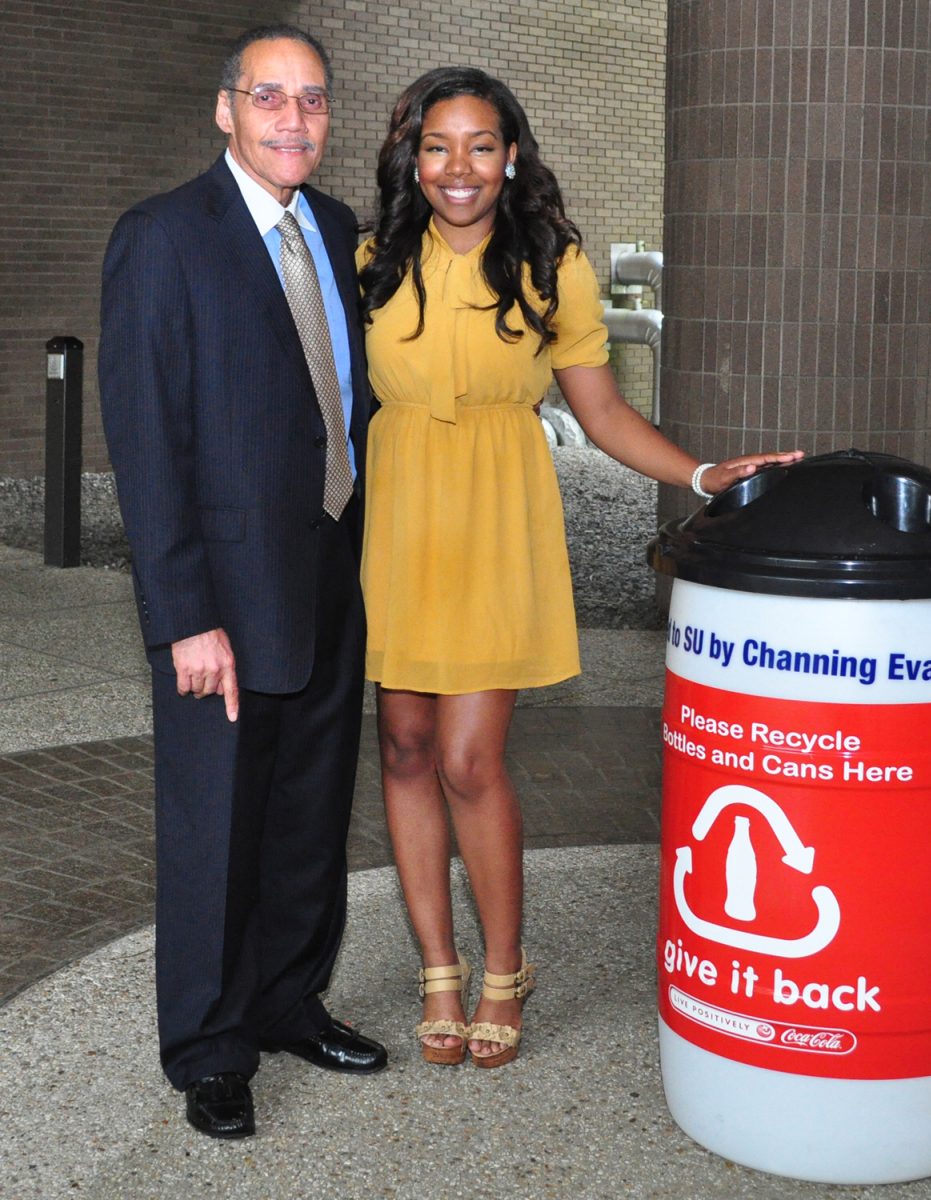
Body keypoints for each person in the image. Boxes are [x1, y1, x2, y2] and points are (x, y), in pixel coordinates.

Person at [357, 66, 803, 1069]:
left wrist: (700, 471)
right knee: (403, 746)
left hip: (494, 518)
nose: (458, 168)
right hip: (400, 518)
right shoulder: (373, 256)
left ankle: (505, 968)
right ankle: (438, 966)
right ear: (412, 157)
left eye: (480, 145)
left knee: (469, 758)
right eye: (438, 146)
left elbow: (600, 414)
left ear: (511, 155)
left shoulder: (553, 263)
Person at [98, 25, 387, 1140]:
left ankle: (287, 1000)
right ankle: (211, 1047)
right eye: (269, 97)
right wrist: (184, 619)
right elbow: (147, 443)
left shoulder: (336, 227)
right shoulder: (164, 237)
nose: (292, 119)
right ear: (227, 110)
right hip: (218, 596)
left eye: (312, 100)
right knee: (216, 821)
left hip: (327, 569)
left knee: (311, 808)